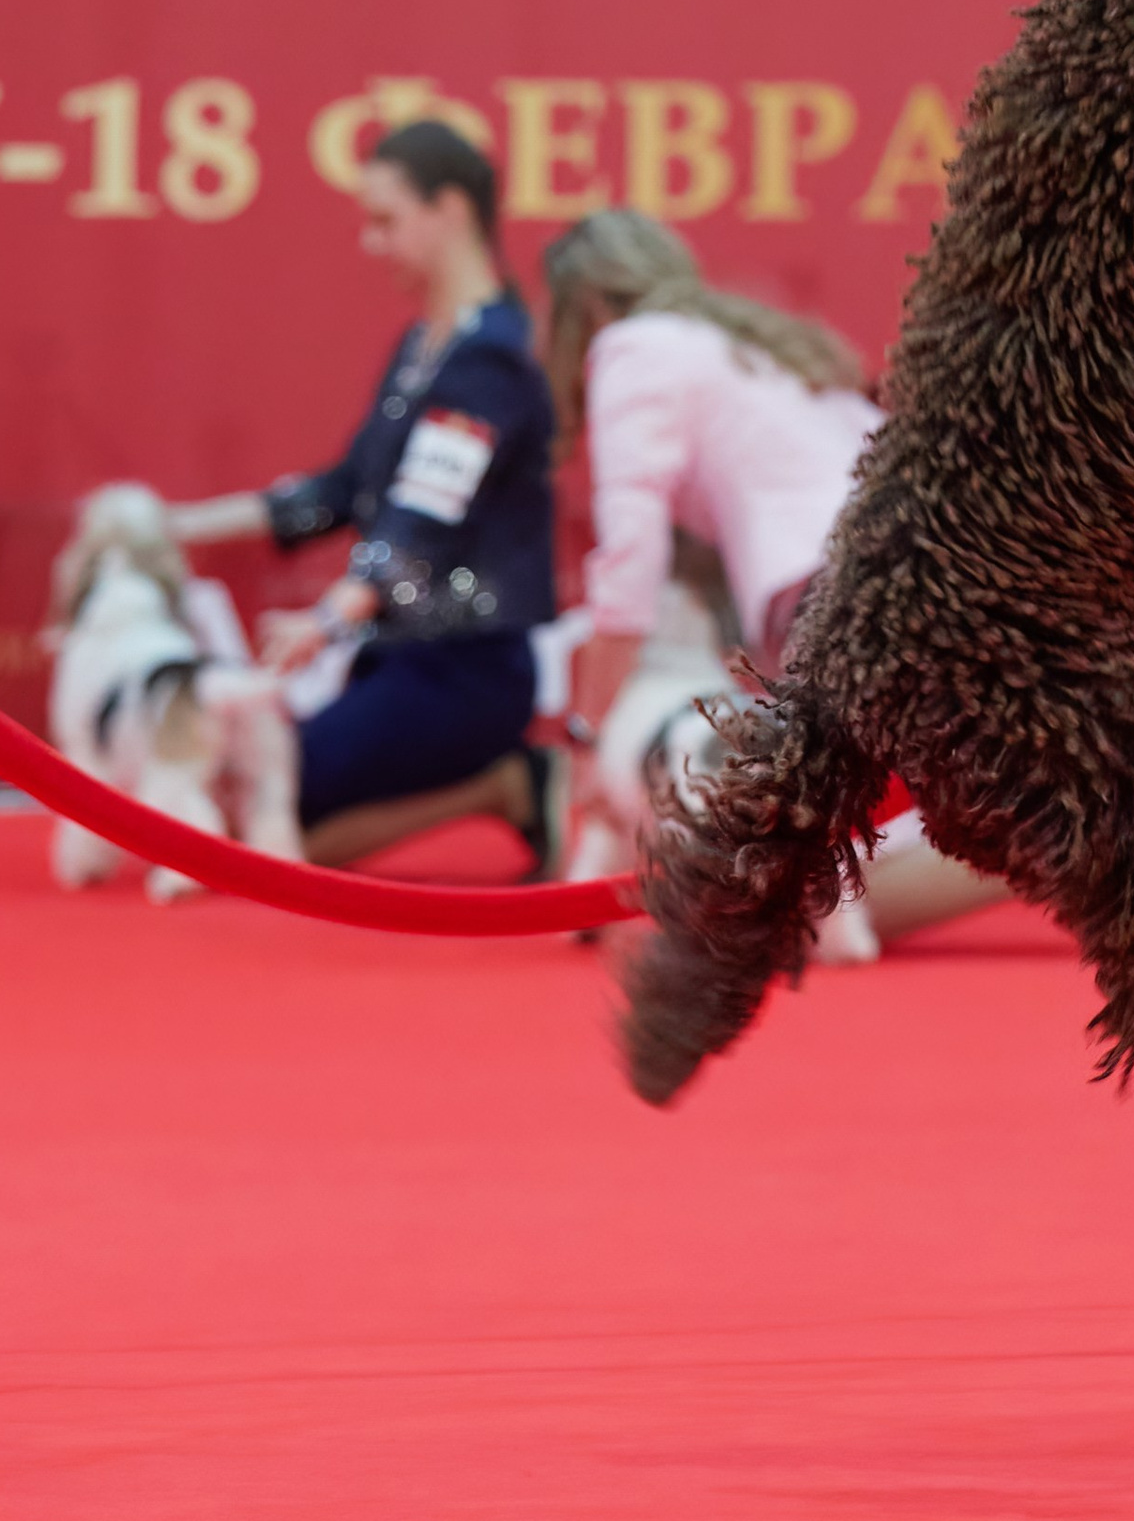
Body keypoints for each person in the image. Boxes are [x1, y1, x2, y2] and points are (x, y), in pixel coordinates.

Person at [542, 209, 1005, 953]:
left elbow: (628, 568)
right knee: (984, 815)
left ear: (584, 311)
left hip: (848, 599)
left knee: (786, 897)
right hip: (955, 569)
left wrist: (587, 736)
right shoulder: (759, 347)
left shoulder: (633, 348)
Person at [168, 121, 560, 870]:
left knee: (269, 819)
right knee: (255, 806)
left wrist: (329, 615)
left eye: (385, 221)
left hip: (467, 668)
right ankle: (502, 784)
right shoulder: (423, 345)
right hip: (397, 658)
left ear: (450, 210)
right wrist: (179, 525)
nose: (370, 244)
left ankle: (512, 784)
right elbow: (346, 490)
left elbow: (421, 516)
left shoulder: (491, 357)